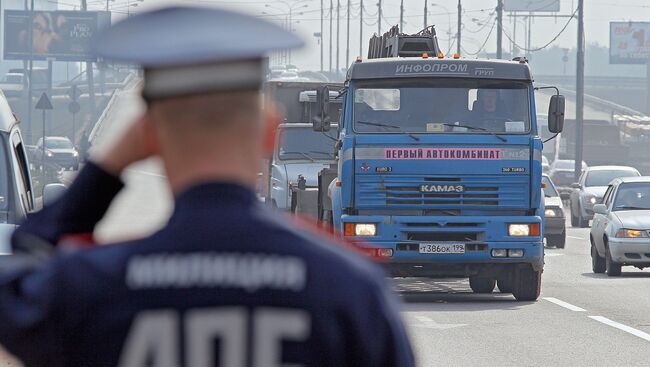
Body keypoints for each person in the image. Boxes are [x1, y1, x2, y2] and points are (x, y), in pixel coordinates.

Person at [0, 6, 414, 367]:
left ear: (149, 138)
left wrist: (105, 171)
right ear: (271, 133)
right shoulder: (349, 290)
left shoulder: (88, 288)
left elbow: (22, 264)